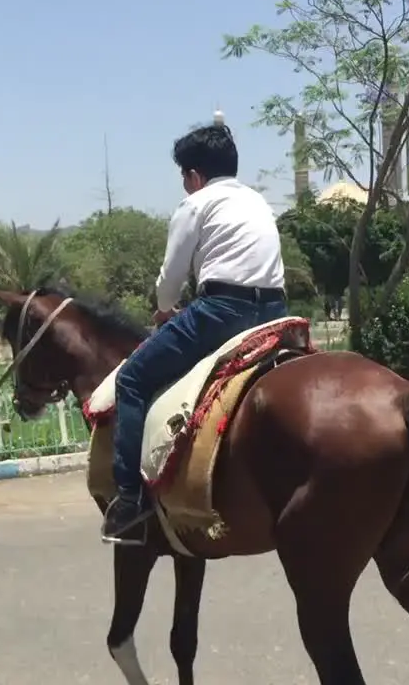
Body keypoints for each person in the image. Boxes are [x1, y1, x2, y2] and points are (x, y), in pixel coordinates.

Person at [102, 124, 288, 543]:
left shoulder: (196, 204)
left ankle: (130, 499)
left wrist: (164, 310)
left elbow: (170, 281)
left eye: (184, 178)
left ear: (193, 176)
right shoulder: (257, 199)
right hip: (275, 311)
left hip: (222, 310)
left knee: (132, 379)